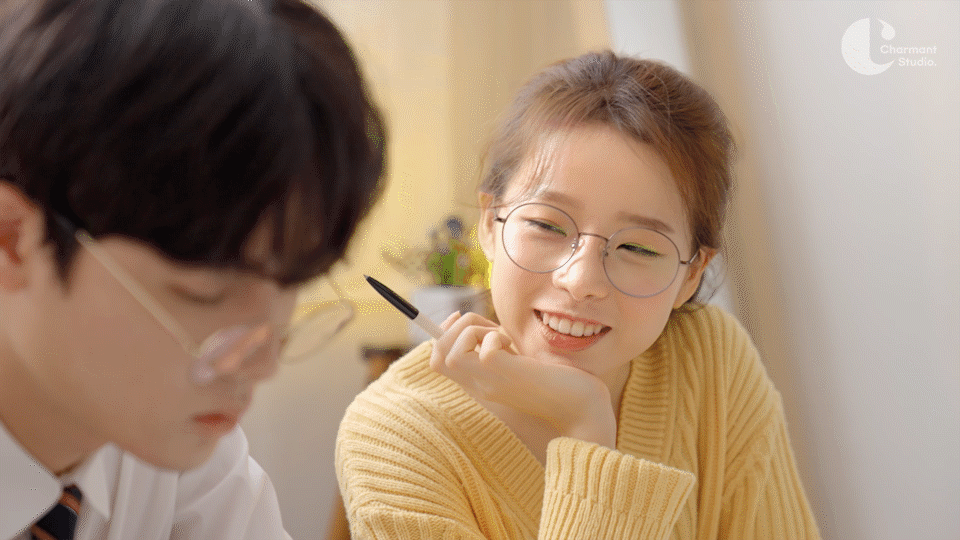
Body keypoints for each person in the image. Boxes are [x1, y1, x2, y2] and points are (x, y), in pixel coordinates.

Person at [336, 51, 820, 539]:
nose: (580, 279)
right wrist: (588, 428)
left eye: (636, 247)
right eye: (547, 225)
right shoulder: (392, 437)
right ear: (489, 224)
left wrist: (584, 424)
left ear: (691, 275)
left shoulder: (710, 359)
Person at [0, 0, 385, 538]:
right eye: (204, 293)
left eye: (291, 285)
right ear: (14, 239)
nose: (261, 367)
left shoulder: (176, 446)